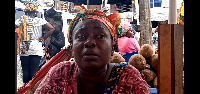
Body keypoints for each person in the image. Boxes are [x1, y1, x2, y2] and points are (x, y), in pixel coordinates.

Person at [35, 6, 150, 94]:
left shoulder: (128, 79)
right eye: (81, 36)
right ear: (72, 48)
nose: (89, 42)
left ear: (112, 48)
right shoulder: (59, 74)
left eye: (100, 36)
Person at [15, 2, 54, 84]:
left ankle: (25, 88)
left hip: (24, 47)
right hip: (36, 48)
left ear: (25, 12)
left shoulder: (21, 20)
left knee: (25, 69)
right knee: (34, 70)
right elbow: (51, 29)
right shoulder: (39, 20)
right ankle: (32, 88)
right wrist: (43, 38)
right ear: (35, 12)